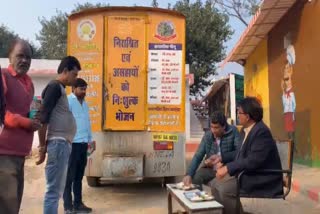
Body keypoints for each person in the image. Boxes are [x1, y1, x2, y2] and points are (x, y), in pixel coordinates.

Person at [212, 97, 283, 214]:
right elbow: (240, 153)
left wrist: (228, 168)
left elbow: (253, 160)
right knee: (215, 183)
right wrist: (222, 158)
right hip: (248, 173)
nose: (237, 115)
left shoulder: (261, 132)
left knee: (225, 188)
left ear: (248, 116)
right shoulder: (245, 130)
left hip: (262, 176)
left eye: (239, 113)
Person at [0, 39, 42, 214]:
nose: (25, 60)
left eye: (28, 57)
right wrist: (25, 122)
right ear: (9, 57)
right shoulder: (3, 76)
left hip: (20, 154)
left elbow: (27, 112)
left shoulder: (29, 83)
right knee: (7, 207)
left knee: (14, 205)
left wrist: (34, 121)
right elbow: (2, 113)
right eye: (20, 56)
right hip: (4, 153)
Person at [36, 56, 81, 214]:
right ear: (65, 71)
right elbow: (43, 118)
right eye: (74, 74)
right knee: (53, 192)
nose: (75, 78)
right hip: (58, 143)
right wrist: (42, 148)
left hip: (62, 144)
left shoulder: (60, 89)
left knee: (56, 191)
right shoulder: (55, 87)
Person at [183, 111, 240, 189]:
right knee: (196, 178)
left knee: (221, 187)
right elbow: (198, 156)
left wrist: (225, 163)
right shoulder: (208, 135)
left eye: (216, 127)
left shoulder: (233, 132)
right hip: (211, 169)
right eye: (211, 127)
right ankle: (199, 199)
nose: (213, 130)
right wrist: (189, 174)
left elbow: (239, 153)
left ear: (223, 127)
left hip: (226, 169)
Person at [63, 78, 93, 213]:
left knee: (79, 177)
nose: (83, 91)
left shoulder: (85, 104)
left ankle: (78, 204)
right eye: (81, 89)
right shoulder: (68, 101)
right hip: (72, 144)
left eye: (85, 89)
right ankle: (68, 207)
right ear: (73, 89)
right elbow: (63, 121)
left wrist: (91, 140)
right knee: (69, 176)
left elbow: (87, 123)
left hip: (83, 144)